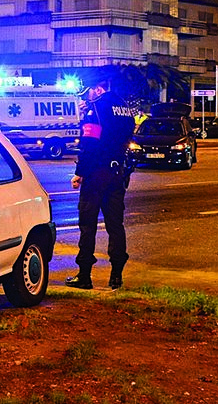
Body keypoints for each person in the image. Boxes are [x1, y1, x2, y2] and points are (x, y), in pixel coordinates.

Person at [65, 78, 135, 290]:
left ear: (98, 88)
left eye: (88, 91)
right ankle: (116, 277)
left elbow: (89, 144)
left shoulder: (95, 109)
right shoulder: (125, 108)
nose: (87, 96)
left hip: (96, 174)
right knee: (115, 225)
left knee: (88, 225)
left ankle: (84, 276)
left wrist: (79, 173)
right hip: (117, 173)